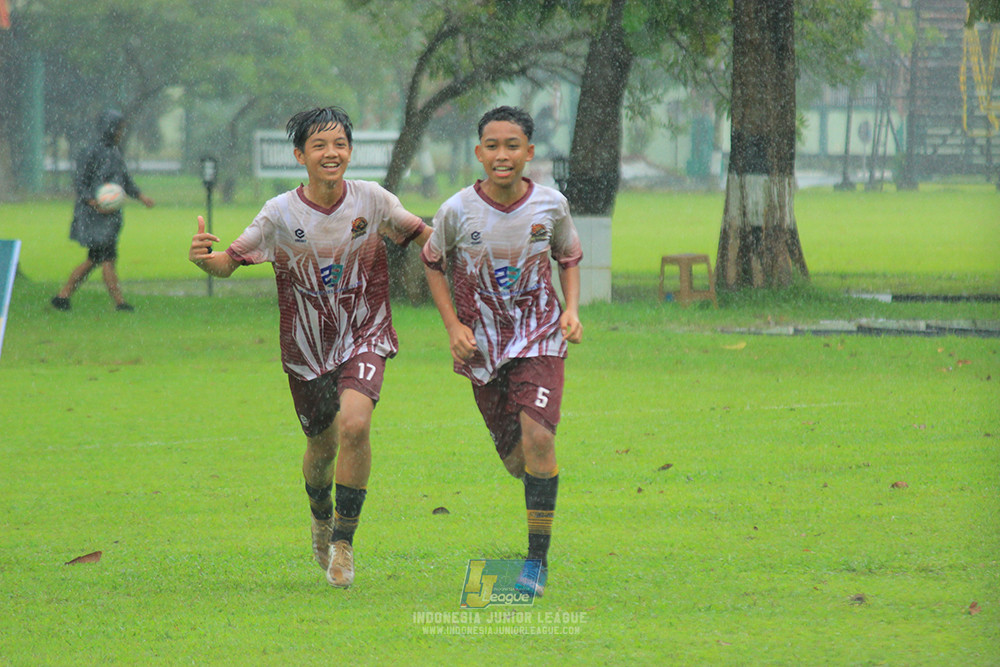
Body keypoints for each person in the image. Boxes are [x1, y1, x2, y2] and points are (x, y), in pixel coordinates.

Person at [188, 106, 430, 588]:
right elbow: (230, 261)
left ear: (350, 151)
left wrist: (462, 241)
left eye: (339, 143)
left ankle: (343, 542)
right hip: (306, 349)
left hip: (365, 331)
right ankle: (319, 517)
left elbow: (423, 235)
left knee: (355, 425)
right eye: (319, 145)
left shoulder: (373, 200)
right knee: (321, 446)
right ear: (300, 155)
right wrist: (203, 259)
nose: (331, 153)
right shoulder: (280, 212)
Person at [421, 106, 583, 597]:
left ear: (529, 152)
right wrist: (453, 326)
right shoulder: (456, 210)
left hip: (539, 338)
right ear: (479, 153)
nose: (503, 155)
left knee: (538, 441)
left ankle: (536, 562)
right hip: (483, 351)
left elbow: (569, 256)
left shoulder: (551, 205)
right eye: (492, 146)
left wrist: (571, 309)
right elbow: (432, 263)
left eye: (513, 146)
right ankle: (539, 483)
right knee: (517, 461)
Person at [51, 109, 154, 312]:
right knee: (103, 257)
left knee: (99, 258)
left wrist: (141, 197)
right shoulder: (91, 152)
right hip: (94, 217)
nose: (121, 133)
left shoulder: (115, 153)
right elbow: (81, 182)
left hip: (110, 218)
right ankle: (118, 302)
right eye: (119, 129)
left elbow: (124, 180)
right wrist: (93, 201)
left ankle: (63, 296)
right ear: (110, 129)